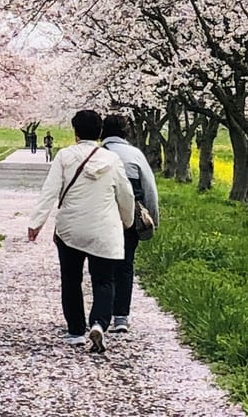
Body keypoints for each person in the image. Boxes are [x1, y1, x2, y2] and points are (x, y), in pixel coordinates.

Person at [27, 109, 134, 353]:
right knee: (104, 280)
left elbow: (50, 191)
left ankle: (76, 331)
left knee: (72, 280)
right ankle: (98, 323)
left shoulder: (64, 156)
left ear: (75, 132)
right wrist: (127, 221)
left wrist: (36, 223)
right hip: (104, 229)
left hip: (70, 229)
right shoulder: (112, 159)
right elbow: (125, 195)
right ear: (100, 133)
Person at [100, 113, 159, 334]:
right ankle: (121, 317)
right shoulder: (135, 154)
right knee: (125, 265)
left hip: (103, 214)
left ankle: (100, 316)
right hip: (132, 214)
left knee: (102, 266)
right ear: (126, 132)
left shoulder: (98, 154)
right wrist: (152, 218)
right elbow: (150, 188)